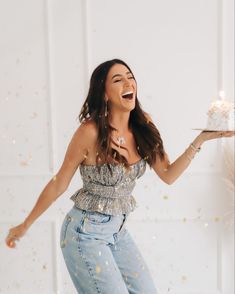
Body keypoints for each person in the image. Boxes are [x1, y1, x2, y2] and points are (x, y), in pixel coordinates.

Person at [5, 58, 234, 293]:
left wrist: (201, 139)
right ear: (104, 94)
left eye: (130, 76)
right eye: (118, 79)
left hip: (117, 231)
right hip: (85, 233)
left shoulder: (144, 126)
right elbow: (59, 183)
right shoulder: (89, 132)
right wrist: (25, 225)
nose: (128, 82)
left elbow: (167, 175)